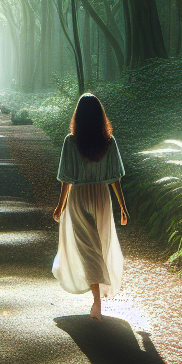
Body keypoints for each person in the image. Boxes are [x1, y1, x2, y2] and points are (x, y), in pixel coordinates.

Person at [52, 92, 128, 321]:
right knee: (100, 245)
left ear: (79, 116)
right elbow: (115, 177)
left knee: (89, 248)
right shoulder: (109, 142)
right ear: (100, 116)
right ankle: (99, 296)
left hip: (79, 196)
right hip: (101, 197)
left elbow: (66, 178)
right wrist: (122, 206)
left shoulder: (70, 141)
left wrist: (60, 205)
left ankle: (97, 301)